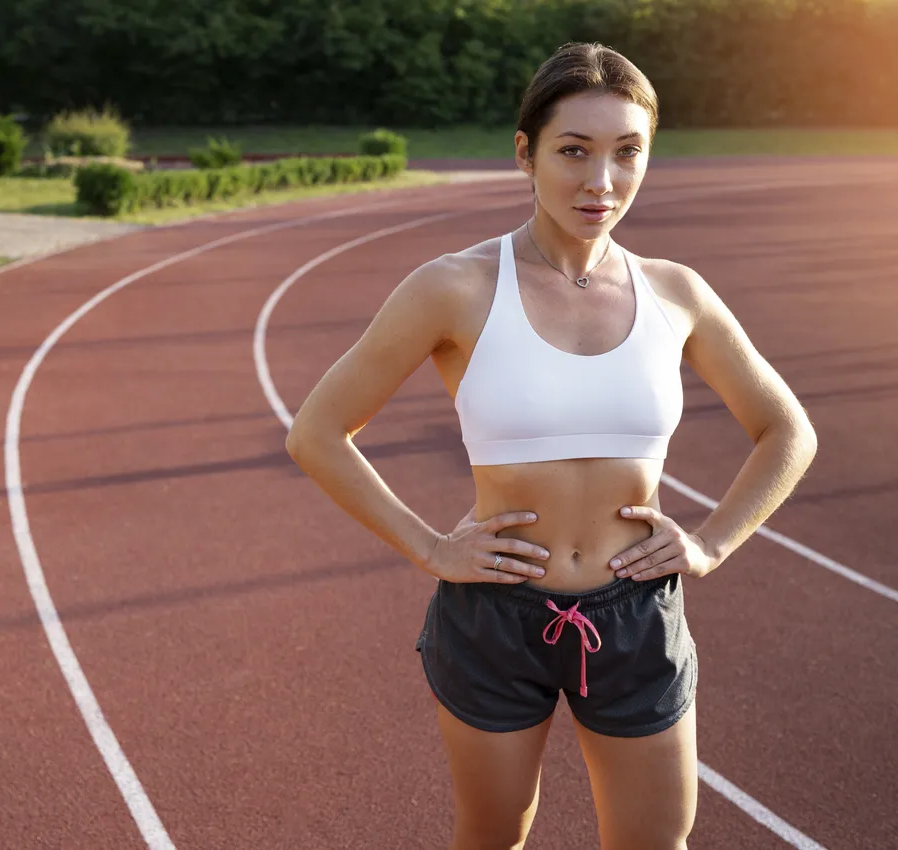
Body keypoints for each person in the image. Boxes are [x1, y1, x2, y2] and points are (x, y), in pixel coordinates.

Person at [283, 42, 818, 850]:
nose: (600, 182)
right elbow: (317, 433)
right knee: (495, 836)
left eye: (626, 152)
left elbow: (788, 431)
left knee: (654, 842)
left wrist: (711, 541)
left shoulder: (675, 293)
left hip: (635, 617)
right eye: (574, 151)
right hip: (495, 617)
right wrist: (431, 548)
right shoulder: (454, 286)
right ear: (526, 153)